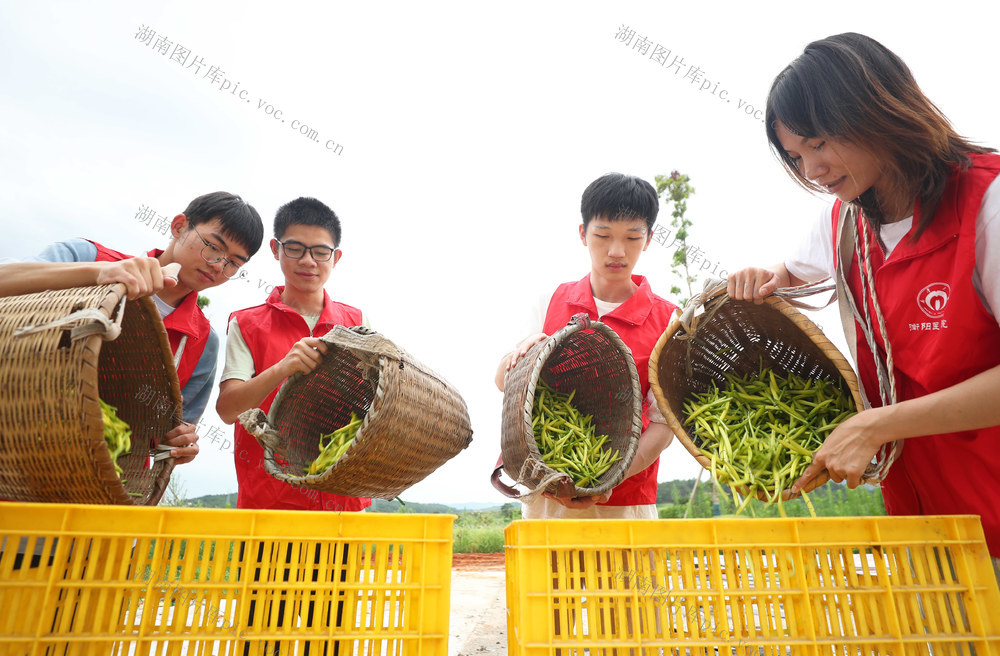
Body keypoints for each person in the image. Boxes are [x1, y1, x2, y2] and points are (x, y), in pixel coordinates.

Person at [726, 33, 1000, 571]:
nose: (811, 171)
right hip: (924, 530)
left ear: (875, 111)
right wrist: (761, 280)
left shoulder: (985, 203)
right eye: (796, 155)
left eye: (820, 144)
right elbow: (785, 279)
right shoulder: (844, 222)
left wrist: (874, 425)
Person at [0, 190, 265, 462]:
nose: (218, 266)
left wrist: (179, 444)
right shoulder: (88, 257)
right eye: (212, 247)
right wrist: (99, 274)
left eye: (233, 263)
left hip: (99, 479)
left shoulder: (204, 343)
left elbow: (172, 430)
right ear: (179, 227)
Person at [216, 197, 369, 655]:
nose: (308, 261)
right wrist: (283, 368)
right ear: (276, 251)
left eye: (320, 251)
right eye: (296, 248)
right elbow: (227, 408)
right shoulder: (247, 324)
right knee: (266, 638)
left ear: (335, 258)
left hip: (340, 511)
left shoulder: (354, 323)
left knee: (330, 640)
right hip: (271, 508)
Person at [494, 172, 678, 519]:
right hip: (546, 498)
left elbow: (663, 422)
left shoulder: (668, 321)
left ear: (649, 239)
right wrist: (525, 354)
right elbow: (505, 382)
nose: (617, 251)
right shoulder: (551, 300)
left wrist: (608, 477)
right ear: (583, 234)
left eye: (632, 237)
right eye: (603, 235)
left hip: (626, 505)